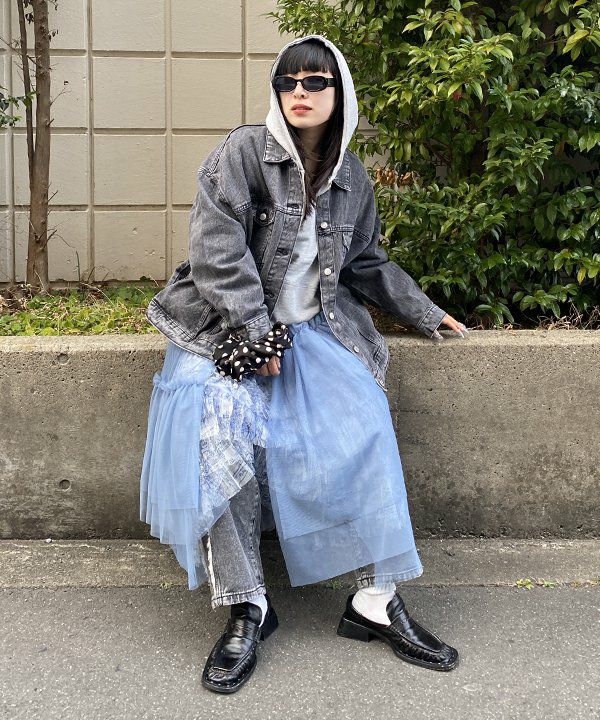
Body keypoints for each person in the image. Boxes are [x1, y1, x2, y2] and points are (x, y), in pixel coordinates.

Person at [139, 34, 468, 694]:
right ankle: (247, 605)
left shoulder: (352, 177)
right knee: (220, 429)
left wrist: (425, 312)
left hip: (315, 331)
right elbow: (216, 254)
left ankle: (375, 600)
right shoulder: (241, 154)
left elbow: (365, 261)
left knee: (366, 423)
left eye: (316, 82)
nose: (299, 92)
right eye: (288, 82)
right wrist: (257, 336)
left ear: (338, 92)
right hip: (225, 330)